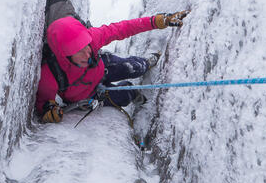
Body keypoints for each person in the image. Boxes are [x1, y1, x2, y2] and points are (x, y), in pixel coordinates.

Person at [36, 10, 189, 123]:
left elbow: (122, 29)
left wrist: (155, 21)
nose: (87, 54)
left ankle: (146, 63)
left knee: (134, 67)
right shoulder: (50, 76)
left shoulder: (92, 38)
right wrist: (49, 111)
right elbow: (43, 103)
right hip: (90, 96)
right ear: (65, 55)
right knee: (125, 94)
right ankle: (134, 95)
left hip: (102, 67)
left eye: (86, 47)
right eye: (79, 52)